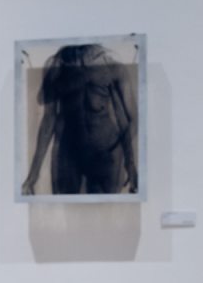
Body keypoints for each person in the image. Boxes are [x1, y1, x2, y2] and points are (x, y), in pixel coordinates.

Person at [22, 43, 137, 196]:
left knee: (103, 209)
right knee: (66, 207)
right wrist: (33, 175)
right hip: (69, 154)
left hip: (105, 153)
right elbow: (49, 119)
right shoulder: (57, 66)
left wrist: (130, 162)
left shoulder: (112, 65)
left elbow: (131, 119)